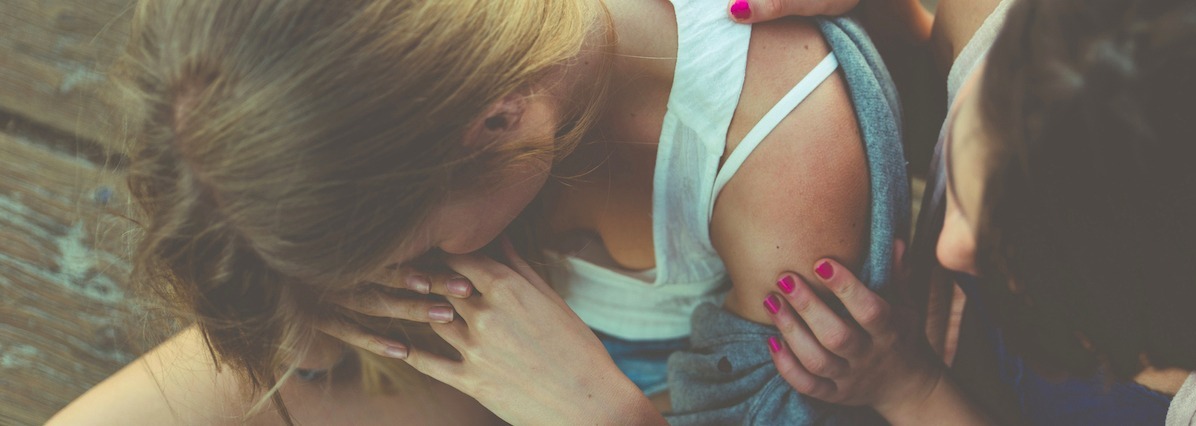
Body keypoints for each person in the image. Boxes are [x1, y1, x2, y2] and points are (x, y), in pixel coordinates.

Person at [50, 0, 911, 424]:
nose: (396, 274)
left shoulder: (779, 155)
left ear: (500, 122)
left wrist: (597, 412)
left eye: (410, 248)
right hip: (484, 353)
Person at [746, 0, 1196, 424]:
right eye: (963, 146)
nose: (947, 247)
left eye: (1025, 248)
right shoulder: (1001, 20)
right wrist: (878, 13)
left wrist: (914, 390)